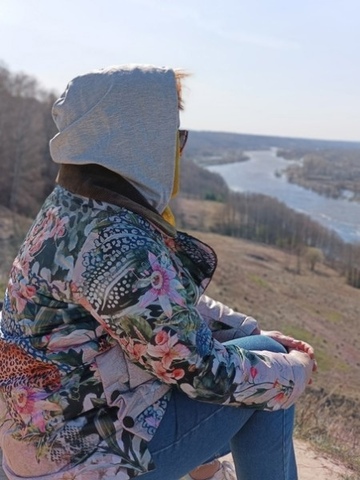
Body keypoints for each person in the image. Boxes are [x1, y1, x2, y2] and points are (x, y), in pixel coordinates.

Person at [0, 64, 316, 480]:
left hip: (45, 435)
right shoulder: (115, 243)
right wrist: (294, 371)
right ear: (137, 143)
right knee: (271, 376)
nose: (178, 152)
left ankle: (209, 474)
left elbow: (153, 309)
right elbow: (199, 372)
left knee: (253, 356)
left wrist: (243, 330)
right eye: (175, 138)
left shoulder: (74, 206)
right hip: (76, 462)